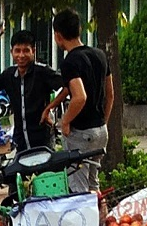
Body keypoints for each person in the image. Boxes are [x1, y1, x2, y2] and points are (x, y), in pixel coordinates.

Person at [46, 8, 114, 194]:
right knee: (94, 184)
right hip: (100, 131)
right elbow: (110, 95)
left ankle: (87, 223)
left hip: (81, 134)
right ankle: (102, 222)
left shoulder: (70, 62)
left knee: (79, 190)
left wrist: (65, 121)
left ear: (57, 35)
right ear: (80, 29)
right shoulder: (99, 55)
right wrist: (103, 122)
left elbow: (79, 96)